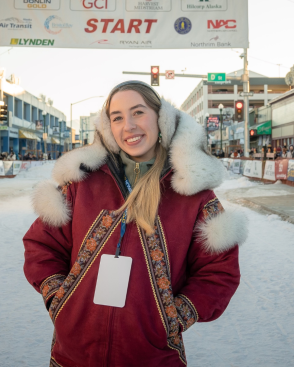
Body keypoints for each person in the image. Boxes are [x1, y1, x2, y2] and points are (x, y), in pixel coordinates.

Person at [23, 81, 247, 366]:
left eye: (138, 112)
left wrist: (173, 316)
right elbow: (41, 245)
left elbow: (219, 272)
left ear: (160, 118)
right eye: (117, 117)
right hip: (74, 355)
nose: (128, 125)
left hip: (153, 357)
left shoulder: (194, 195)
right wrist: (59, 298)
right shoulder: (81, 184)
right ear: (109, 127)